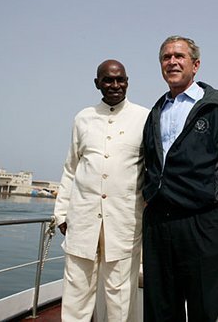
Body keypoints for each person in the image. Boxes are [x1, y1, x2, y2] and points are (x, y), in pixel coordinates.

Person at [142, 35, 218, 322]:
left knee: (208, 311)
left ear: (195, 65)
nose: (172, 61)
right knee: (160, 311)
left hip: (204, 224)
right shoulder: (155, 112)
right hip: (159, 226)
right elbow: (149, 164)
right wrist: (149, 199)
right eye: (166, 57)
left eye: (179, 56)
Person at [53, 59, 149, 321]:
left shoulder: (144, 117)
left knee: (120, 297)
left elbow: (152, 170)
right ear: (97, 83)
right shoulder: (83, 118)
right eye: (108, 80)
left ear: (128, 82)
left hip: (124, 222)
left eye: (120, 80)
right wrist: (61, 213)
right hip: (82, 220)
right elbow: (71, 168)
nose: (115, 85)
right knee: (76, 294)